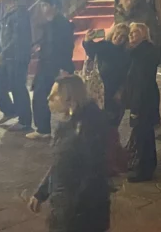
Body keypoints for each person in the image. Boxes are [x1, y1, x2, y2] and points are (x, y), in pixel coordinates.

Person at [28, 76, 110, 232]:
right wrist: (41, 193)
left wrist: (72, 210)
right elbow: (59, 165)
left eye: (55, 94)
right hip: (68, 206)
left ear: (69, 98)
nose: (49, 98)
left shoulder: (87, 129)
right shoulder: (70, 125)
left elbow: (91, 172)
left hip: (77, 212)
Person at [29, 0, 76, 141]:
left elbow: (65, 46)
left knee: (44, 96)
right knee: (41, 95)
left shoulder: (61, 24)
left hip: (54, 65)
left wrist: (63, 66)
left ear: (54, 6)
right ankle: (43, 128)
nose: (43, 9)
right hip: (47, 64)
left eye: (45, 5)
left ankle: (44, 129)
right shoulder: (51, 23)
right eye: (42, 5)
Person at [0, 0, 33, 132]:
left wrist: (4, 53)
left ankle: (25, 120)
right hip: (7, 55)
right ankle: (9, 110)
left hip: (16, 56)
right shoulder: (9, 9)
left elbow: (17, 37)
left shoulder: (19, 11)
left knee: (18, 87)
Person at [124, 22, 160, 182]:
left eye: (135, 33)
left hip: (143, 99)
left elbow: (141, 82)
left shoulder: (143, 53)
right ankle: (146, 165)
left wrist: (136, 107)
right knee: (145, 133)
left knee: (142, 134)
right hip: (145, 97)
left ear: (144, 34)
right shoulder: (141, 51)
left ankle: (144, 169)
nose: (131, 35)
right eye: (130, 33)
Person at [82, 24, 130, 124]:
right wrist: (87, 40)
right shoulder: (104, 45)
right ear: (113, 33)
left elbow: (126, 75)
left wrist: (120, 91)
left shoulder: (126, 53)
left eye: (123, 36)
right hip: (100, 87)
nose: (119, 37)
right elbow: (91, 50)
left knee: (112, 119)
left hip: (114, 89)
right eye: (117, 33)